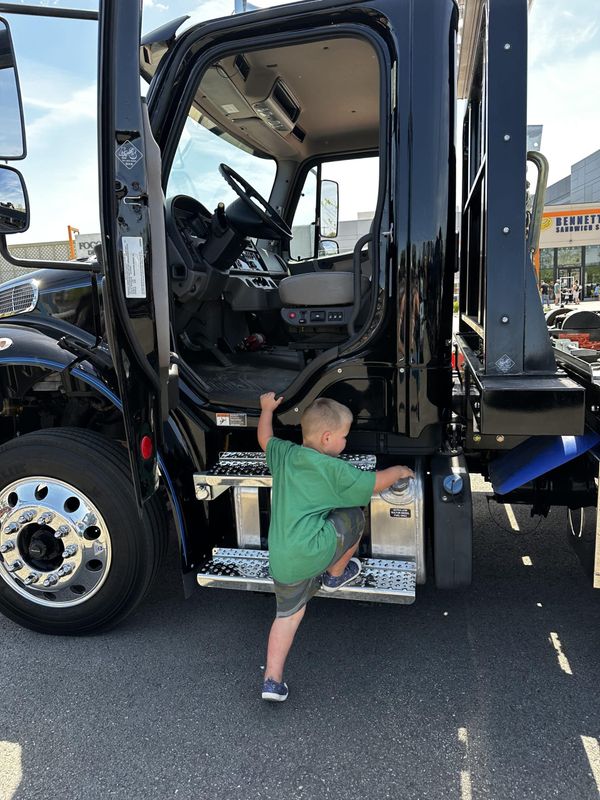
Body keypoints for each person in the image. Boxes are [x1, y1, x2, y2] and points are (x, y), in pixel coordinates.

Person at [258, 392, 414, 702]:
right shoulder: (333, 470)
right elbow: (373, 484)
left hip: (281, 559)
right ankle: (335, 575)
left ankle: (272, 681)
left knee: (287, 617)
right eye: (344, 437)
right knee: (353, 516)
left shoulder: (285, 454)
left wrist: (266, 410)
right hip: (311, 553)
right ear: (328, 438)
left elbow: (265, 437)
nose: (345, 443)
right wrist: (398, 471)